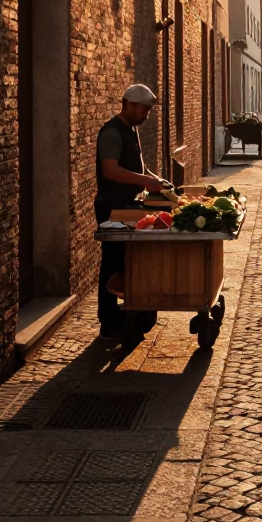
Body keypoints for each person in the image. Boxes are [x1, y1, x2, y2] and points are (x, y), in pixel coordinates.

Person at [95, 84, 169, 340]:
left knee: (130, 260)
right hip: (112, 208)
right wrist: (145, 181)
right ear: (129, 105)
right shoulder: (111, 133)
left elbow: (139, 167)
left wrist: (154, 179)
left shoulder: (131, 131)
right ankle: (108, 323)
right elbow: (111, 170)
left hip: (127, 206)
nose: (147, 114)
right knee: (113, 262)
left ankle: (131, 311)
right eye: (144, 109)